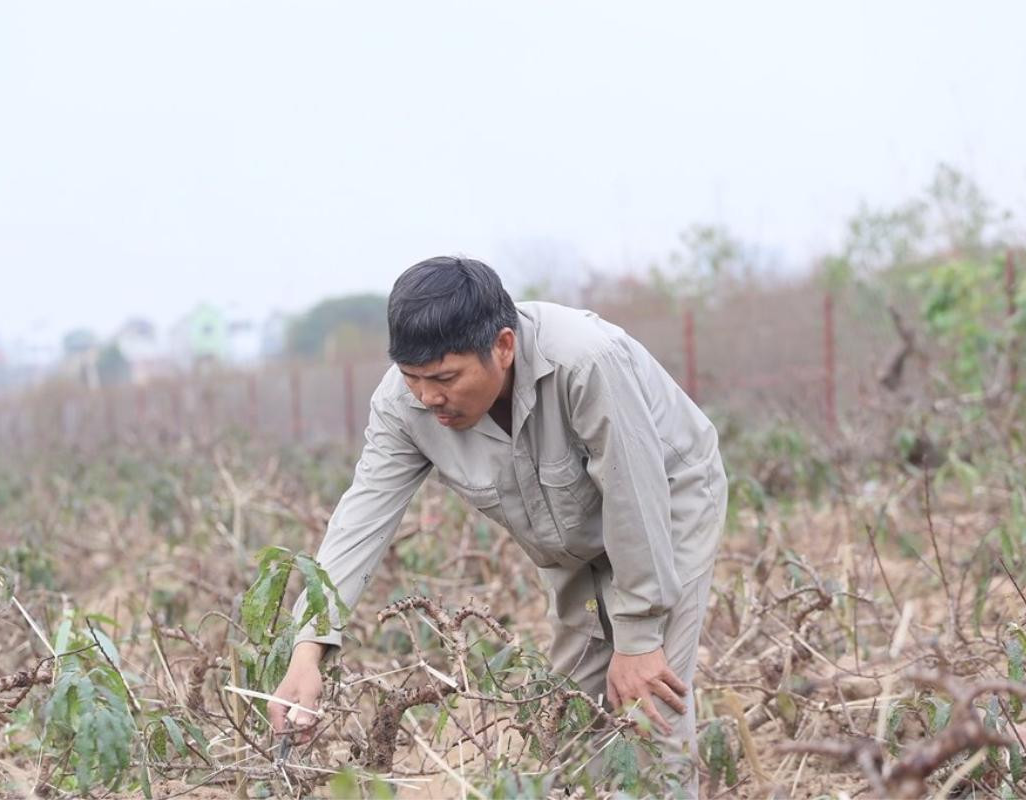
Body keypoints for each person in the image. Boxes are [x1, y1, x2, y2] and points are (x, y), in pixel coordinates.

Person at [267, 256, 726, 792]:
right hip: (571, 538)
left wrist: (640, 636)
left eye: (444, 378)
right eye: (412, 378)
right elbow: (359, 519)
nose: (428, 397)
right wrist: (308, 651)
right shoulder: (403, 407)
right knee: (572, 711)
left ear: (503, 347)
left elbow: (634, 495)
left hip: (667, 505)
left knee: (649, 703)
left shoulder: (585, 361)